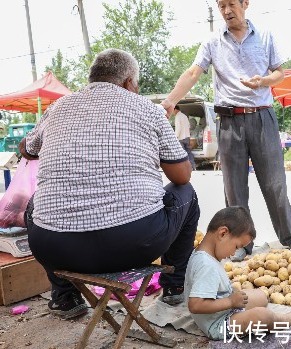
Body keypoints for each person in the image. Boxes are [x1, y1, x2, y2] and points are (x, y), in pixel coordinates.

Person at [18, 48, 200, 319]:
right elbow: (182, 177)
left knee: (37, 204)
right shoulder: (148, 111)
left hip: (56, 248)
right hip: (133, 244)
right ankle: (174, 288)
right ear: (129, 83)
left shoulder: (58, 108)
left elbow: (26, 149)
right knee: (185, 193)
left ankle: (66, 296)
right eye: (135, 85)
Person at [161, 0, 291, 262]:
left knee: (274, 184)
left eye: (231, 4)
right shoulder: (213, 42)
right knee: (234, 189)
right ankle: (243, 245)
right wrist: (170, 101)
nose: (227, 11)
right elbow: (193, 73)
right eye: (221, 5)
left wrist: (263, 81)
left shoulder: (266, 36)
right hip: (229, 122)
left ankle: (290, 238)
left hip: (263, 117)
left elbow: (279, 73)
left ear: (245, 4)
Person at [185, 206, 291, 340]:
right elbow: (196, 305)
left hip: (223, 308)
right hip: (217, 323)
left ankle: (245, 307)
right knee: (263, 316)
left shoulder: (205, 254)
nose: (234, 253)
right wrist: (230, 301)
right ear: (223, 233)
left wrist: (232, 296)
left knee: (261, 296)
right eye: (236, 247)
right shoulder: (206, 265)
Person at [173, 105, 196, 170]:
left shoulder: (177, 116)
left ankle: (184, 168)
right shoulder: (185, 116)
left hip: (181, 138)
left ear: (175, 110)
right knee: (188, 152)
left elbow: (178, 128)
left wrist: (175, 137)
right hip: (187, 137)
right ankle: (192, 166)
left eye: (173, 111)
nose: (173, 113)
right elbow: (188, 127)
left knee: (182, 153)